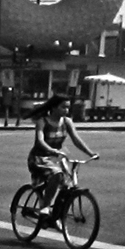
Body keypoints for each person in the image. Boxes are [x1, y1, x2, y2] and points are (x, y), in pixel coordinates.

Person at [27, 94, 98, 223]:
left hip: (57, 158)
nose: (66, 110)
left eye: (67, 108)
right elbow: (40, 140)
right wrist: (51, 150)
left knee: (68, 185)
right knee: (57, 174)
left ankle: (55, 216)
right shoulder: (42, 121)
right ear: (53, 107)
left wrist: (90, 153)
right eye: (63, 107)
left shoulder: (67, 122)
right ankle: (45, 207)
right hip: (39, 157)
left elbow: (76, 140)